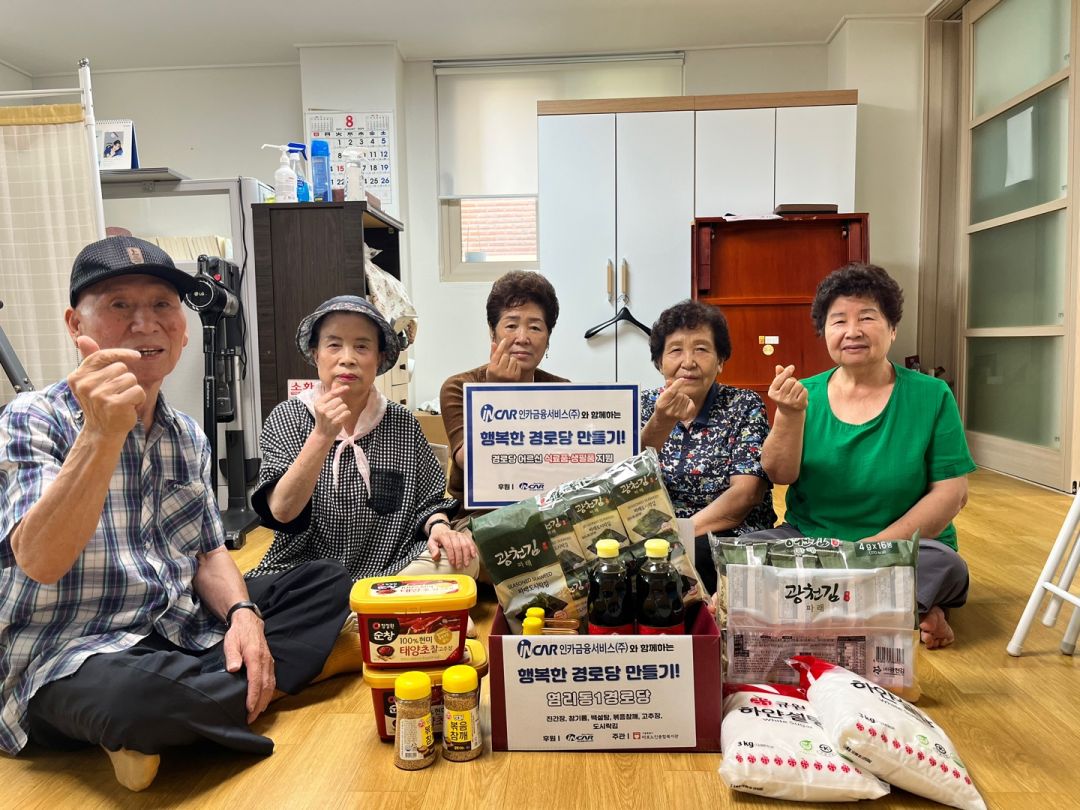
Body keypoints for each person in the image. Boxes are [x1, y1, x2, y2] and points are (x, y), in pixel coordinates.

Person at [0, 236, 352, 791]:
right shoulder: (32, 418)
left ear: (184, 329)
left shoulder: (185, 434)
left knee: (326, 583)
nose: (146, 324)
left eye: (163, 306)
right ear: (75, 324)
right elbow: (39, 561)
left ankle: (186, 712)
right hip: (68, 651)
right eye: (120, 306)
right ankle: (259, 684)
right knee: (136, 698)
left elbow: (209, 552)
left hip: (172, 624)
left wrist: (242, 615)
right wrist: (100, 434)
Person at [758, 262, 976, 649]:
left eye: (867, 318)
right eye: (838, 320)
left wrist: (868, 553)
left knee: (945, 567)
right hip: (814, 541)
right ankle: (905, 610)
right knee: (746, 552)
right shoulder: (803, 394)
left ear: (892, 329)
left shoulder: (931, 395)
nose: (852, 331)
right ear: (824, 332)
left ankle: (822, 606)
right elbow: (779, 473)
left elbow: (951, 494)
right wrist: (789, 416)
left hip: (900, 547)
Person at [249, 296, 479, 580]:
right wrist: (322, 435)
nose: (348, 358)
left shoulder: (402, 422)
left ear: (380, 358)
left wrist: (440, 528)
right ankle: (368, 611)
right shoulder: (288, 417)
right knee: (303, 588)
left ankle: (354, 613)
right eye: (334, 345)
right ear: (315, 353)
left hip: (390, 567)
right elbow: (282, 511)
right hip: (306, 573)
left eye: (362, 346)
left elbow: (429, 503)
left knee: (463, 561)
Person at [640, 299, 776, 592]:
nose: (688, 362)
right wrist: (661, 421)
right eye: (675, 350)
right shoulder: (644, 405)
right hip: (658, 538)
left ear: (720, 361)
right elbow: (626, 478)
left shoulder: (744, 405)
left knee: (684, 565)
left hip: (728, 536)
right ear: (660, 362)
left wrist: (680, 536)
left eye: (701, 349)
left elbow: (746, 494)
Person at [440, 270, 567, 523]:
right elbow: (474, 462)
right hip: (478, 517)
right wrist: (495, 394)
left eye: (535, 327)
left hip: (546, 512)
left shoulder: (561, 391)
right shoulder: (459, 387)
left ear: (548, 337)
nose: (522, 338)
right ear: (493, 332)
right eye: (511, 325)